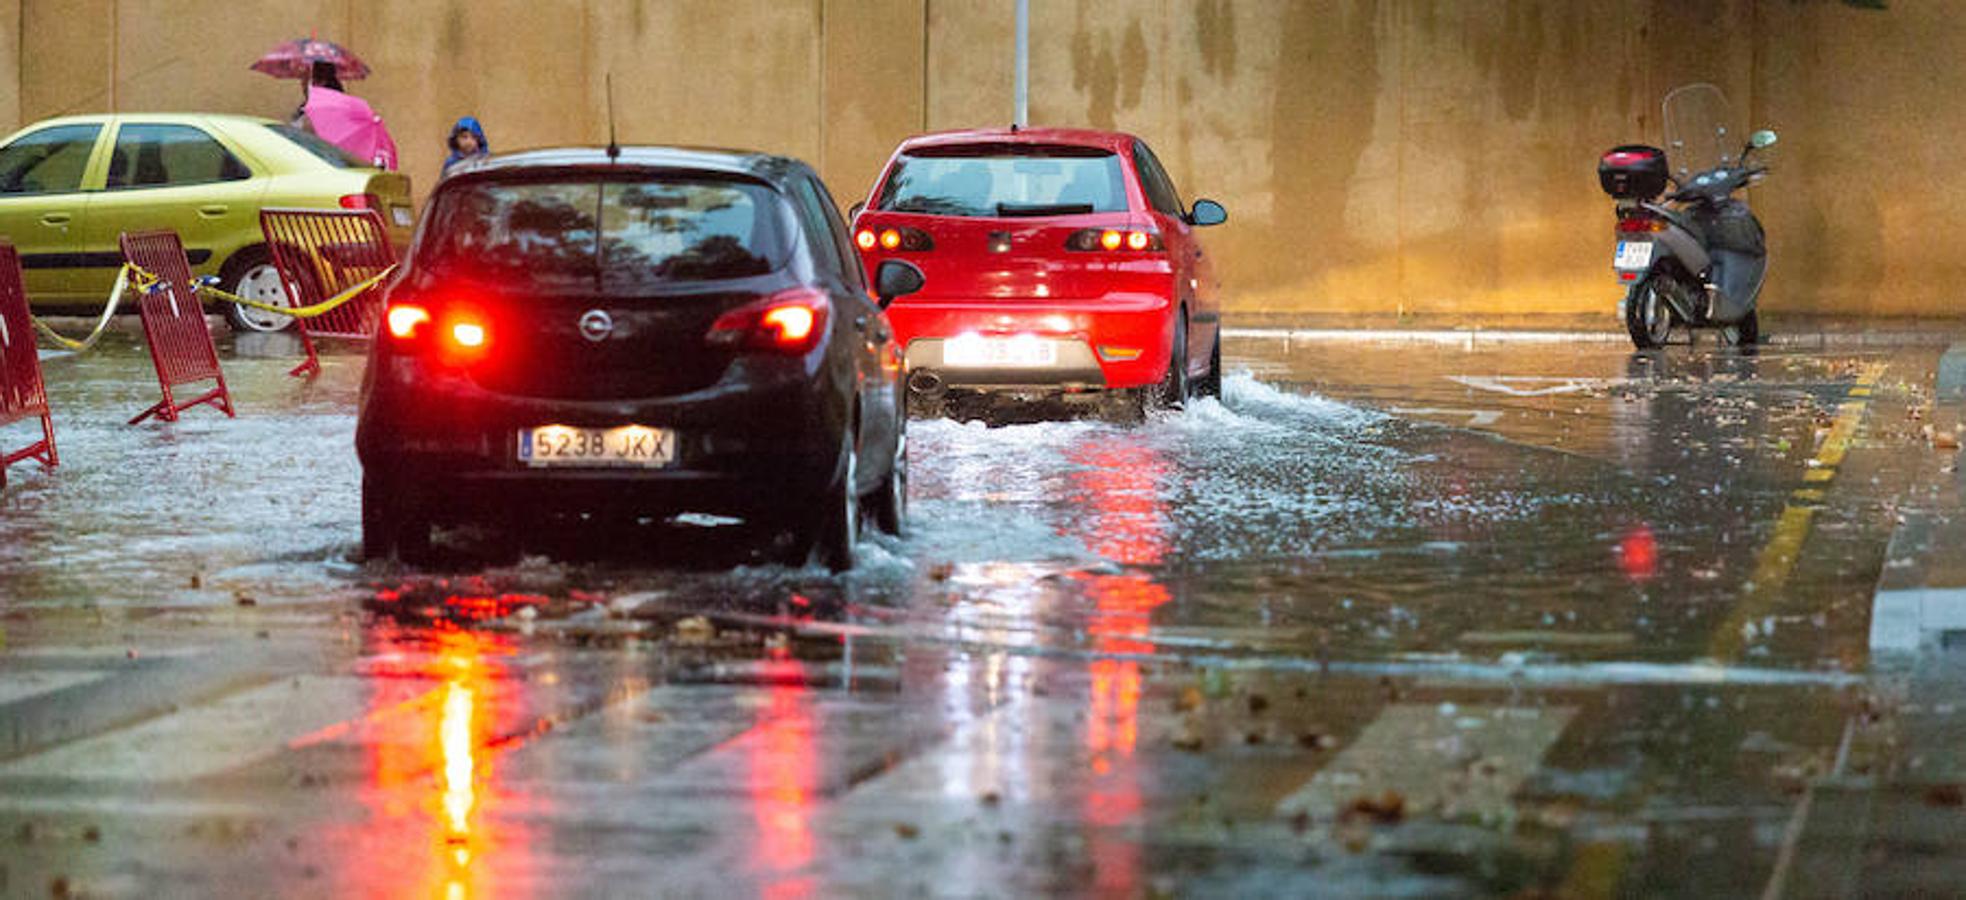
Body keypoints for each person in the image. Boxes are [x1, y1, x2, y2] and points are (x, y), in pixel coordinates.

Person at [290, 60, 346, 127]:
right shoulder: (304, 108)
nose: (302, 84)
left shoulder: (331, 109)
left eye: (306, 79)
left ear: (321, 82)